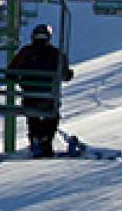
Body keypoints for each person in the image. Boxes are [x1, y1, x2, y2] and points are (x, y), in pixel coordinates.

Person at [9, 23, 74, 158]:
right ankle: (45, 140)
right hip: (49, 97)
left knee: (33, 115)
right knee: (52, 115)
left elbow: (11, 73)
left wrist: (21, 80)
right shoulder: (56, 53)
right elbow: (65, 75)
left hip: (30, 97)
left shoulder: (25, 52)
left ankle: (36, 139)